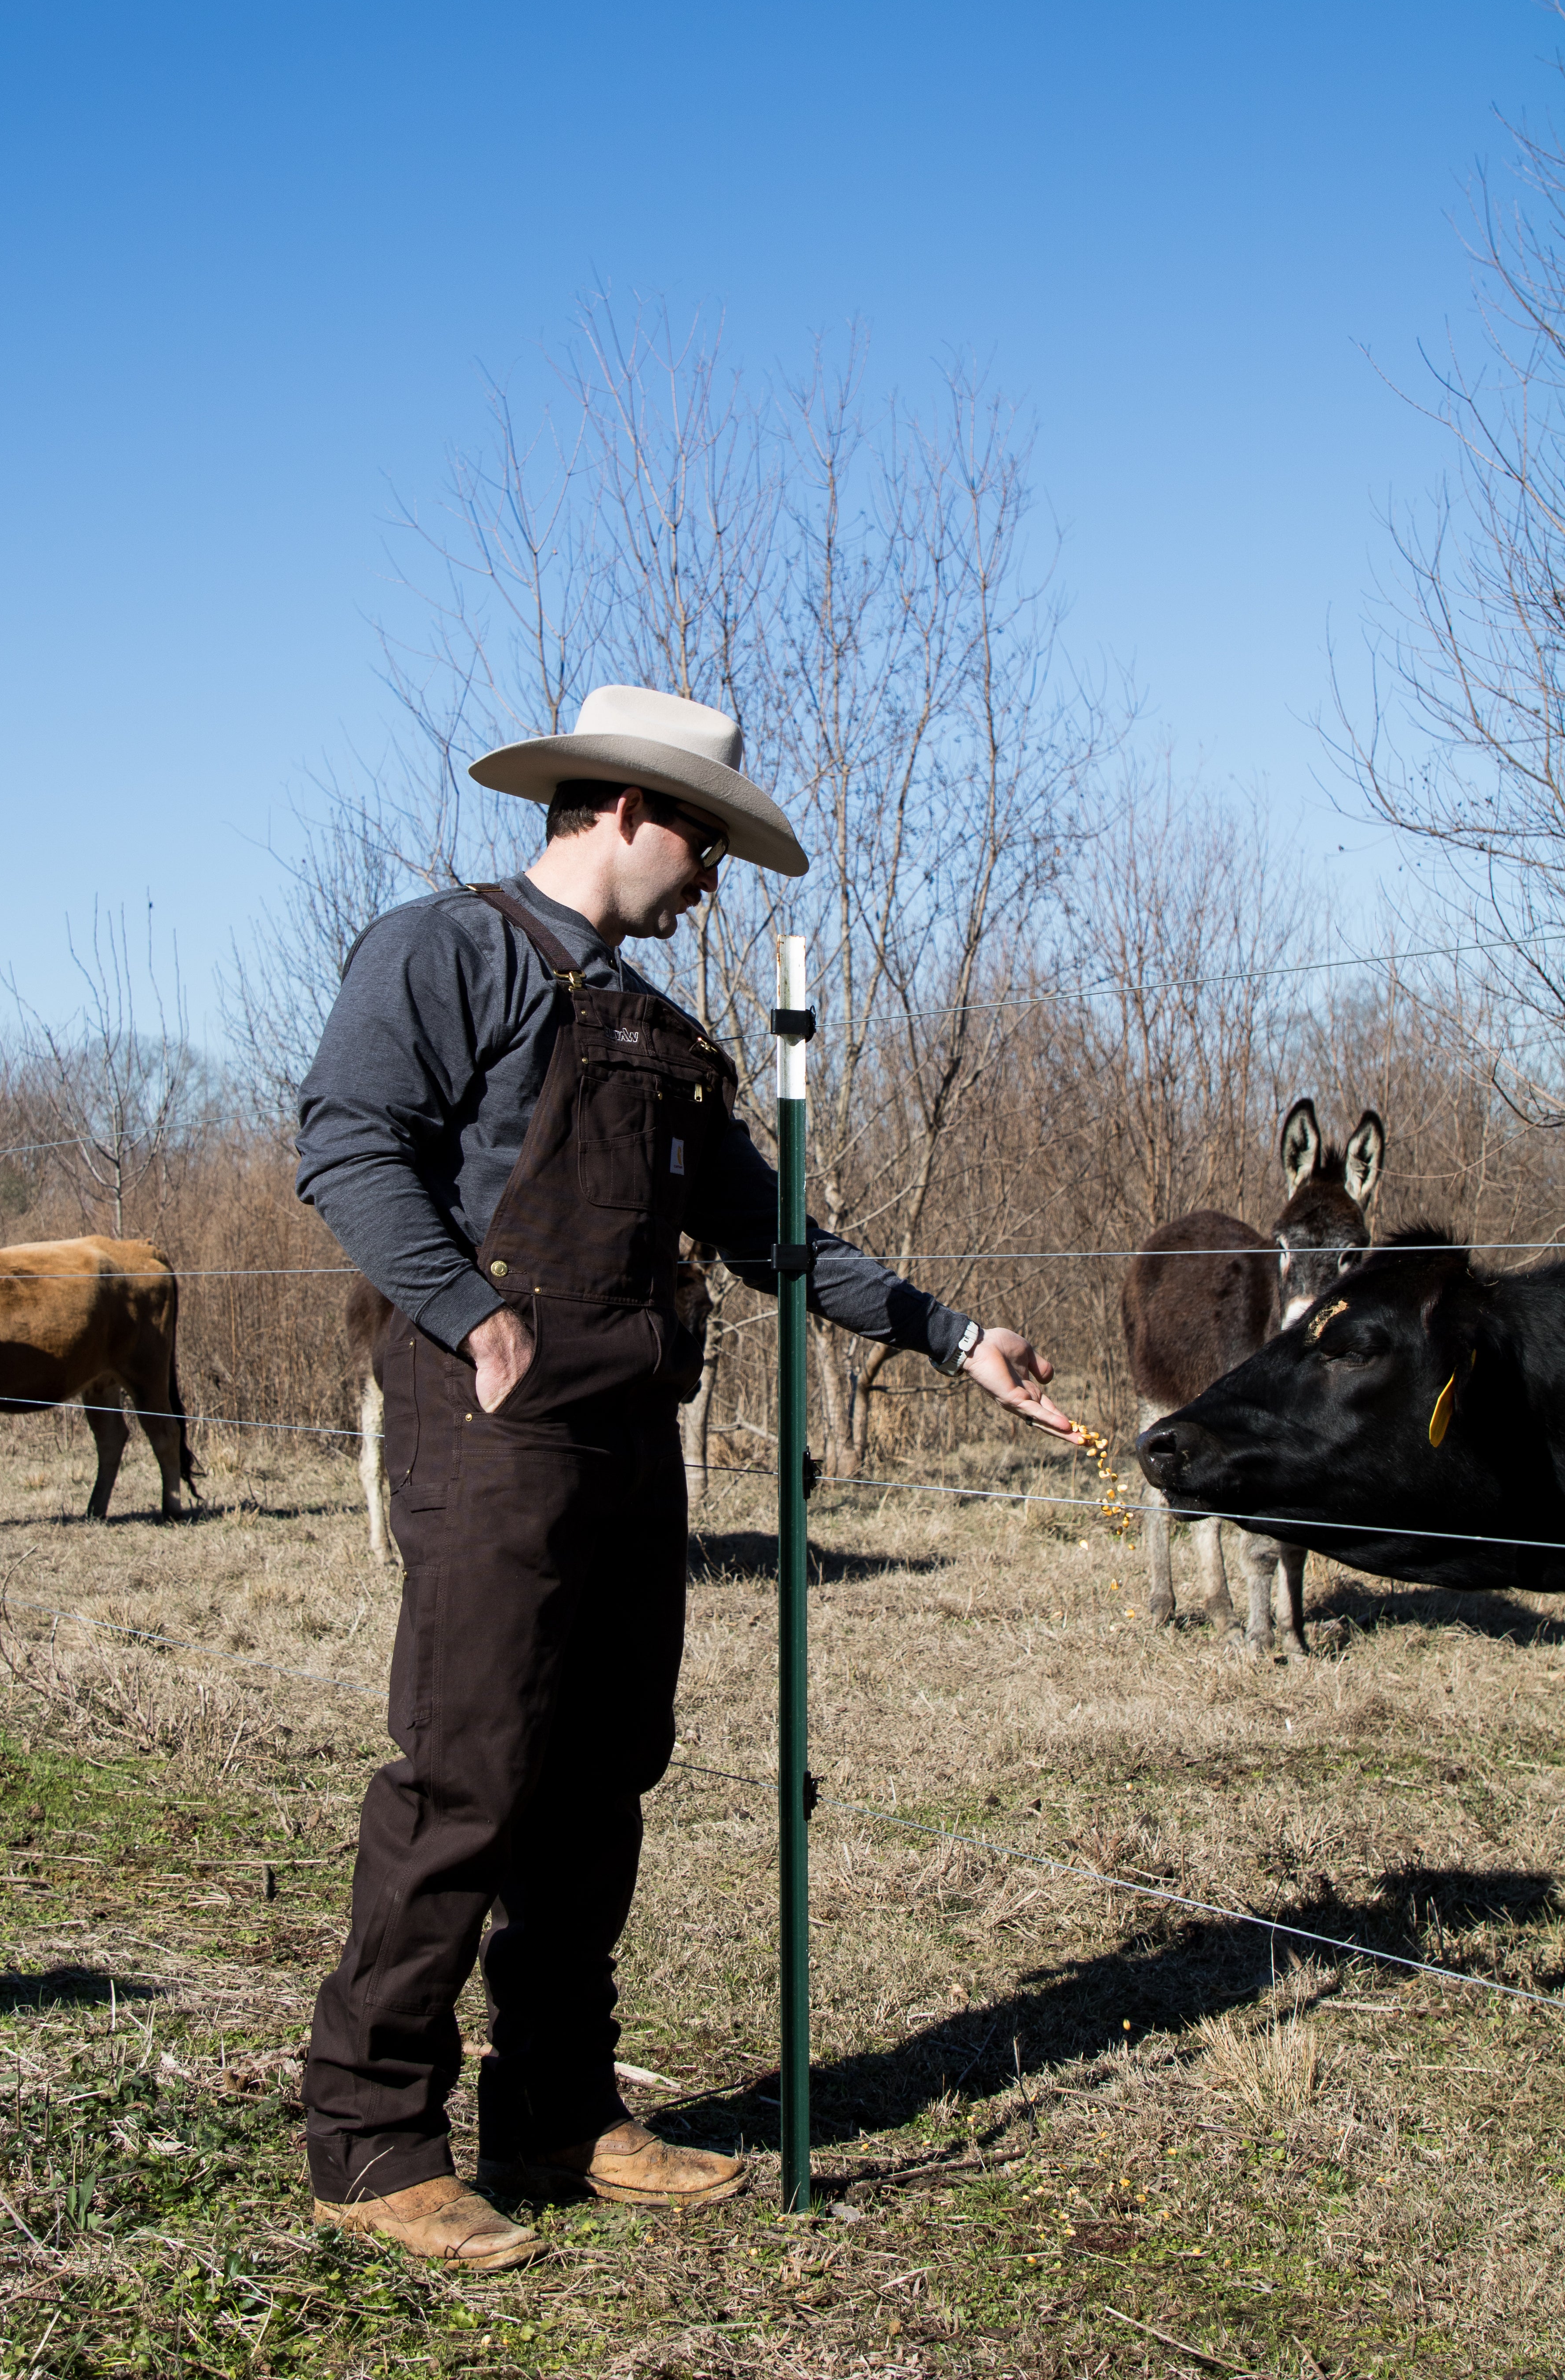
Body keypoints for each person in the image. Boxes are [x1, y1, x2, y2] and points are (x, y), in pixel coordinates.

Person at [294, 681, 1075, 2270]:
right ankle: (372, 2140)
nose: (715, 880)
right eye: (707, 843)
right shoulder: (447, 950)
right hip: (492, 1431)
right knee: (470, 1775)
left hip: (636, 1445)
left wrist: (950, 1331)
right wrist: (473, 1319)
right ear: (631, 813)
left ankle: (559, 2110)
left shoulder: (659, 1035)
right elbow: (344, 1143)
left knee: (600, 1778)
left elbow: (770, 1233)